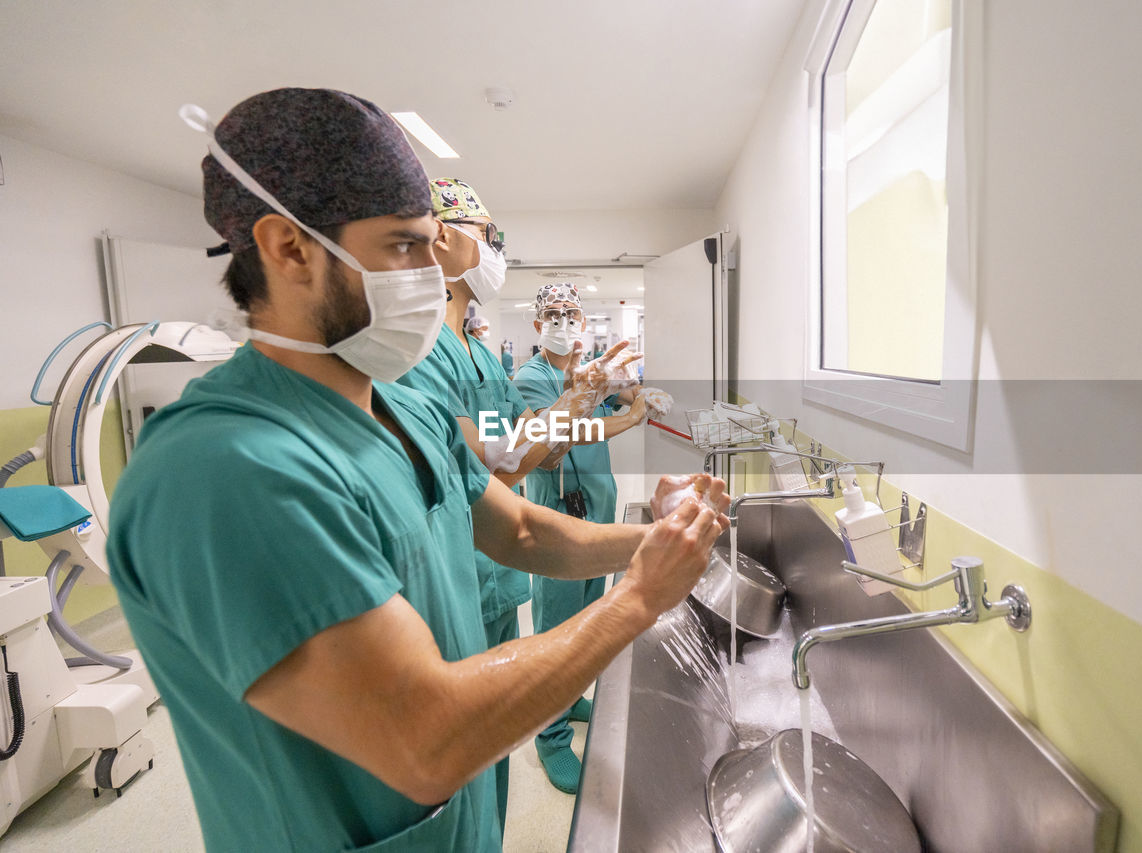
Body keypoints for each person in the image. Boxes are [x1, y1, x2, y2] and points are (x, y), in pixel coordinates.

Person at [107, 88, 729, 852]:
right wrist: (639, 597)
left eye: (433, 245)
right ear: (289, 248)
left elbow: (524, 528)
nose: (430, 275)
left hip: (457, 809)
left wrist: (653, 542)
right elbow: (423, 737)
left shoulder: (400, 404)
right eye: (403, 246)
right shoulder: (225, 469)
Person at [395, 177, 640, 831]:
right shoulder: (422, 351)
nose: (497, 249)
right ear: (439, 236)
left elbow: (513, 456)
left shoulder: (473, 347)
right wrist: (577, 403)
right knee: (463, 768)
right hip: (463, 574)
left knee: (492, 757)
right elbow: (498, 466)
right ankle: (551, 739)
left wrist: (584, 396)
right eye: (490, 235)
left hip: (502, 568)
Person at [514, 282, 650, 793]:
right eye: (553, 314)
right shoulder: (529, 378)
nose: (563, 322)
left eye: (572, 313)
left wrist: (632, 388)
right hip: (558, 514)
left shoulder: (586, 366)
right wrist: (627, 419)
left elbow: (624, 392)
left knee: (591, 611)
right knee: (558, 629)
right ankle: (549, 737)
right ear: (536, 324)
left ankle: (570, 702)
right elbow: (552, 443)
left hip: (597, 507)